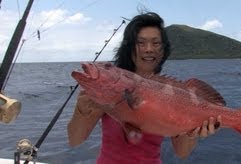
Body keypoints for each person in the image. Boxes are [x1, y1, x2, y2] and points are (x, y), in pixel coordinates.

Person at [67, 12, 221, 164]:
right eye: (141, 42)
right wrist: (81, 110)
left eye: (156, 43)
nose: (149, 49)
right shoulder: (109, 89)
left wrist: (193, 132)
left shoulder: (172, 92)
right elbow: (75, 140)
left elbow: (182, 153)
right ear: (129, 47)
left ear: (163, 49)